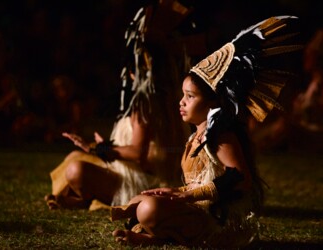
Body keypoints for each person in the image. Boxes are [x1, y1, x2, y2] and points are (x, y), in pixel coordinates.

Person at [110, 15, 303, 248]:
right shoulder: (195, 136)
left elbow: (240, 179)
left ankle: (156, 235)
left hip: (216, 221)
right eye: (183, 95)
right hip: (197, 209)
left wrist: (185, 196)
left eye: (190, 97)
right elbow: (197, 183)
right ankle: (155, 233)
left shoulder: (221, 136)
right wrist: (173, 190)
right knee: (144, 198)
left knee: (148, 208)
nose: (181, 102)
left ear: (212, 102)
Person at [44, 1, 200, 210]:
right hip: (155, 176)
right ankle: (81, 198)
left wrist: (101, 148)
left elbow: (138, 153)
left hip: (142, 182)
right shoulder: (174, 96)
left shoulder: (145, 103)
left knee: (75, 170)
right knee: (75, 156)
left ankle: (86, 197)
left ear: (134, 70)